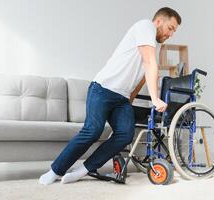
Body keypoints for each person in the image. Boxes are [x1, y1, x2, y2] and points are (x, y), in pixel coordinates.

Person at [39, 7, 181, 185]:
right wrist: (154, 98)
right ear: (159, 21)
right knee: (92, 130)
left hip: (121, 98)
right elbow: (149, 62)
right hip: (103, 89)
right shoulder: (145, 26)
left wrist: (130, 98)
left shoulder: (157, 43)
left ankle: (84, 170)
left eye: (174, 31)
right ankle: (55, 170)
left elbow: (144, 74)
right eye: (171, 28)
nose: (171, 34)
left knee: (125, 134)